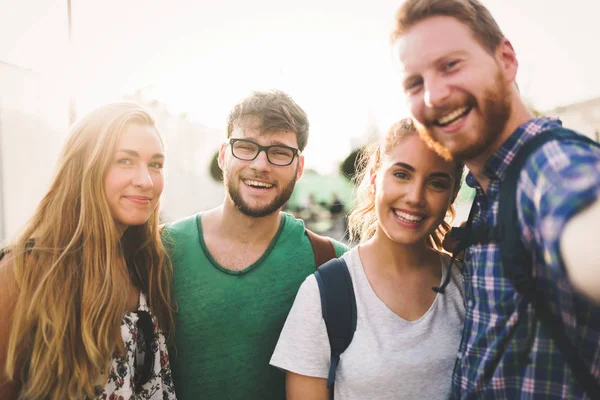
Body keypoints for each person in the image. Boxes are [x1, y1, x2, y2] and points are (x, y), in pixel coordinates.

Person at [392, 1, 600, 398]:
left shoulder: (548, 165)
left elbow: (576, 208)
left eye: (451, 65)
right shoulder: (486, 189)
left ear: (505, 60)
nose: (433, 96)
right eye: (414, 83)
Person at [164, 90, 348, 399]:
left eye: (279, 152)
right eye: (246, 147)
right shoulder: (163, 249)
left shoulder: (331, 263)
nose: (261, 164)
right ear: (224, 155)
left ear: (299, 168)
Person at [270, 118, 465, 399]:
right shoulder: (325, 293)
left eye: (436, 183)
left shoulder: (467, 287)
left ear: (452, 195)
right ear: (374, 178)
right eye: (402, 174)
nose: (415, 197)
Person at [0, 102, 177, 400]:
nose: (146, 181)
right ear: (85, 168)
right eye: (125, 161)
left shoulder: (148, 265)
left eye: (156, 165)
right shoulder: (27, 273)